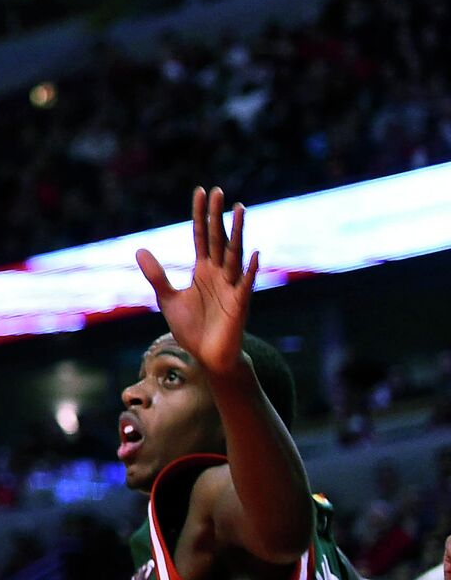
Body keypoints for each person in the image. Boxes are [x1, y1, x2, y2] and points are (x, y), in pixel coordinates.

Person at [123, 187, 360, 579]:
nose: (130, 394)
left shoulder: (212, 492)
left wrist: (229, 373)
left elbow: (282, 534)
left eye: (171, 377)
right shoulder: (325, 548)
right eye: (141, 378)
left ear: (230, 421)